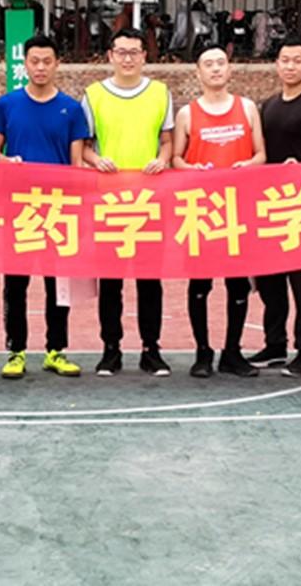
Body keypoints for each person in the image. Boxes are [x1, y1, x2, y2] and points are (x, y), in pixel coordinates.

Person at [0, 36, 87, 379]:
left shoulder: (71, 109)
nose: (41, 67)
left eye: (47, 61)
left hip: (59, 209)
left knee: (57, 287)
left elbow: (77, 163)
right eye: (34, 61)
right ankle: (16, 351)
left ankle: (55, 350)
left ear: (57, 63)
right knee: (16, 285)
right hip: (19, 209)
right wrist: (7, 162)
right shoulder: (7, 105)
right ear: (25, 64)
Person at [82, 27, 174, 378]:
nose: (128, 58)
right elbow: (84, 146)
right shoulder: (94, 95)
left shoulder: (160, 93)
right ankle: (111, 349)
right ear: (110, 56)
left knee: (150, 280)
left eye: (134, 52)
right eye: (121, 52)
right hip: (109, 201)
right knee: (111, 282)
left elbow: (167, 141)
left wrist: (162, 159)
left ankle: (151, 349)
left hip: (150, 200)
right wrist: (96, 160)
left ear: (144, 56)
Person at [172, 46, 267, 378]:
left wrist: (248, 165)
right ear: (198, 73)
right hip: (201, 211)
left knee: (238, 284)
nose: (215, 69)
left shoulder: (247, 108)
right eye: (208, 64)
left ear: (230, 69)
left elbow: (261, 154)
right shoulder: (187, 114)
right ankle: (202, 352)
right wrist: (192, 169)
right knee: (200, 284)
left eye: (220, 63)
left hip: (238, 210)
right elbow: (176, 159)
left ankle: (232, 352)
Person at [251, 37, 301, 377]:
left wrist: (298, 171)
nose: (290, 66)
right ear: (276, 64)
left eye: (297, 60)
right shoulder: (267, 106)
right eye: (285, 60)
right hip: (271, 204)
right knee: (270, 280)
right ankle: (275, 345)